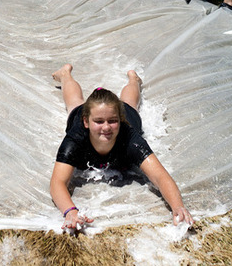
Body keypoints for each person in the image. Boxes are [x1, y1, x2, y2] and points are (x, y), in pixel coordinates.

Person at [49, 64, 194, 230]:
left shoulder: (130, 137)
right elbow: (57, 182)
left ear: (120, 119)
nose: (106, 127)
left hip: (125, 112)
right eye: (98, 121)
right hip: (84, 112)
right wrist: (70, 211)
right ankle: (65, 74)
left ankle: (134, 79)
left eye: (112, 121)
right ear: (86, 122)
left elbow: (160, 177)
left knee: (130, 102)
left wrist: (178, 207)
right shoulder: (76, 137)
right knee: (74, 102)